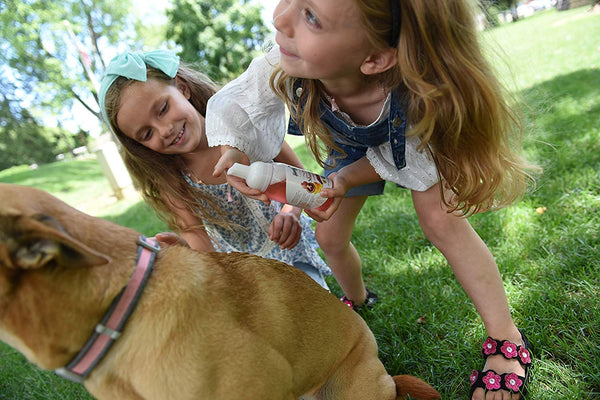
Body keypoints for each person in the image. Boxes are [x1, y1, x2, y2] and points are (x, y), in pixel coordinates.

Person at [205, 1, 539, 399]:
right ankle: (359, 298)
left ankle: (506, 336)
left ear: (377, 58)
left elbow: (402, 162)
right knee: (329, 238)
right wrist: (235, 148)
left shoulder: (416, 101)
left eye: (311, 16)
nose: (279, 18)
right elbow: (240, 102)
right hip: (346, 145)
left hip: (415, 143)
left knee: (440, 219)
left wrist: (347, 178)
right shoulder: (283, 62)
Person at [98, 49, 331, 290]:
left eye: (163, 109)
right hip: (244, 275)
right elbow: (198, 240)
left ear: (181, 88)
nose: (164, 130)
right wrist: (183, 248)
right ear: (140, 146)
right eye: (147, 134)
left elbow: (303, 181)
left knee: (313, 315)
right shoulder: (173, 181)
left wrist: (290, 213)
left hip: (290, 250)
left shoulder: (241, 126)